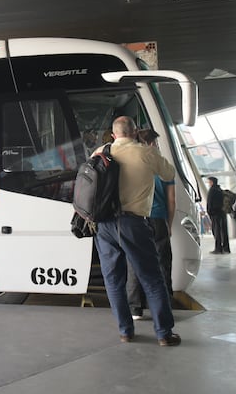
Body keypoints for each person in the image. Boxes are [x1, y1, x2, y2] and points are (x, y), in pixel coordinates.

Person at [93, 116, 181, 347]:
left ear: (114, 135)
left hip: (103, 225)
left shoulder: (100, 151)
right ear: (134, 132)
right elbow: (169, 174)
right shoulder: (146, 153)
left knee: (113, 280)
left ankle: (125, 331)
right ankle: (164, 333)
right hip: (134, 223)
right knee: (152, 278)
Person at [126, 129, 175, 320]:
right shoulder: (163, 166)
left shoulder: (132, 163)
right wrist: (169, 224)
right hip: (158, 219)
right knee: (162, 262)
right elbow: (171, 201)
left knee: (134, 261)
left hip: (136, 218)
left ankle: (135, 307)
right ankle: (164, 305)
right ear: (152, 143)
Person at [206, 176, 230, 254]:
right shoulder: (220, 190)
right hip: (222, 212)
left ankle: (218, 248)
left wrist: (209, 212)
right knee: (223, 230)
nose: (208, 183)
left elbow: (209, 202)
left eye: (209, 182)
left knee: (216, 231)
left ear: (212, 182)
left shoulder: (212, 190)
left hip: (215, 213)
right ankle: (226, 248)